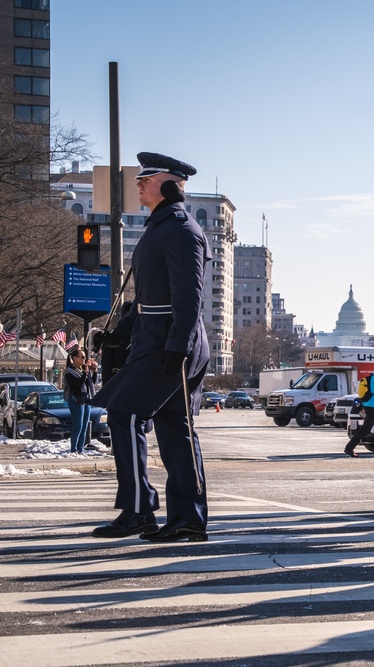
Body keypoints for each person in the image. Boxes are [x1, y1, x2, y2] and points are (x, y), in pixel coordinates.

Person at [90, 152, 211, 542]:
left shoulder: (181, 229)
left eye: (148, 177)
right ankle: (185, 518)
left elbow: (188, 299)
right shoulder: (159, 228)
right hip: (157, 337)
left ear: (172, 184)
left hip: (172, 343)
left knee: (123, 413)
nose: (139, 183)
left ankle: (141, 510)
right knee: (173, 425)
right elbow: (145, 299)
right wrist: (119, 333)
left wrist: (177, 346)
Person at [64, 346, 97, 455]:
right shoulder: (70, 371)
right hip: (76, 399)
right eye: (82, 357)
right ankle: (73, 449)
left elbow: (91, 383)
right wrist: (85, 373)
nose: (84, 359)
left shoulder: (83, 370)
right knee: (78, 426)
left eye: (84, 357)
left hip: (86, 398)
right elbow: (78, 384)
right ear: (74, 358)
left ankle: (80, 449)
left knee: (84, 426)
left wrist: (94, 371)